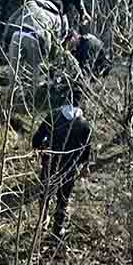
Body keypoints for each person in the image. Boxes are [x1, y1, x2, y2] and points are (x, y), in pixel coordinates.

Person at [32, 80, 93, 242]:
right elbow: (86, 153)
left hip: (50, 163)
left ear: (66, 99)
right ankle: (57, 229)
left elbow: (36, 140)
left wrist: (41, 147)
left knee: (45, 193)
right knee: (63, 198)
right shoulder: (85, 126)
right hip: (69, 169)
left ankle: (42, 220)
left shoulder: (53, 116)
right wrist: (84, 165)